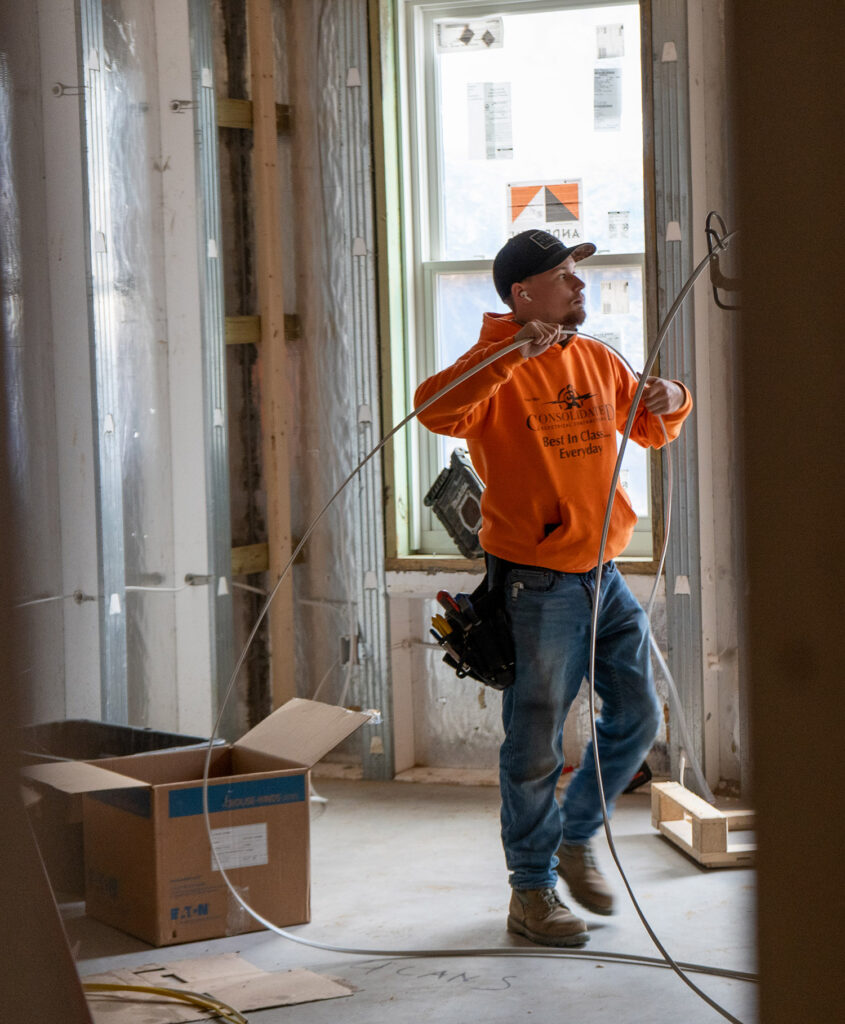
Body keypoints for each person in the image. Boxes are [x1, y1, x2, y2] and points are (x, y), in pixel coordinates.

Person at [414, 230, 692, 948]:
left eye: (577, 275)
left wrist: (672, 396)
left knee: (637, 718)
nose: (579, 287)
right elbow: (435, 410)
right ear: (521, 295)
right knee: (534, 742)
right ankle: (531, 893)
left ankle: (574, 839)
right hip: (536, 585)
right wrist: (507, 354)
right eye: (564, 277)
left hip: (602, 575)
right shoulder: (497, 370)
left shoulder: (596, 359)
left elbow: (654, 430)